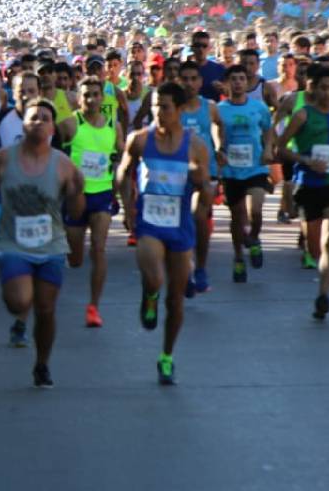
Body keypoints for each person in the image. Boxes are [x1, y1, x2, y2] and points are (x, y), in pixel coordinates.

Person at [0, 101, 85, 388]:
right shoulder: (4, 157)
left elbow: (75, 210)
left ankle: (42, 364)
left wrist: (77, 192)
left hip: (51, 246)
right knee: (19, 301)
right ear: (24, 124)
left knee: (46, 310)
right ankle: (15, 284)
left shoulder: (62, 164)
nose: (39, 122)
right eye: (34, 118)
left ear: (52, 128)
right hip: (13, 241)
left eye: (45, 119)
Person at [117, 82, 213, 385]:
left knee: (175, 301)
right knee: (156, 278)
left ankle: (167, 356)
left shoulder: (195, 145)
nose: (159, 111)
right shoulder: (140, 140)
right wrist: (128, 206)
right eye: (156, 105)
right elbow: (122, 173)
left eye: (166, 106)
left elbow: (205, 186)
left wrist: (200, 189)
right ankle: (149, 293)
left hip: (180, 224)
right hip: (149, 222)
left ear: (181, 110)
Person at [277, 65, 329, 320]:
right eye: (324, 87)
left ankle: (324, 293)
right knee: (314, 248)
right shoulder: (302, 115)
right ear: (314, 89)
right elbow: (281, 149)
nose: (328, 92)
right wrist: (307, 160)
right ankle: (319, 273)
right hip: (308, 184)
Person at [57, 77, 122, 327]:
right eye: (87, 95)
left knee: (98, 248)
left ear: (102, 98)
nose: (92, 99)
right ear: (79, 97)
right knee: (76, 259)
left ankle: (94, 306)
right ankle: (70, 258)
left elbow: (121, 154)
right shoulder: (70, 124)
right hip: (75, 197)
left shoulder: (112, 126)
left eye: (96, 94)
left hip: (102, 195)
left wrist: (119, 180)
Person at [216, 64, 274, 280]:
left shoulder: (258, 107)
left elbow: (268, 129)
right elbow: (216, 133)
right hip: (232, 170)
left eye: (242, 78)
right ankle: (239, 257)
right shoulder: (220, 109)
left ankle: (255, 238)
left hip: (255, 166)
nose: (238, 82)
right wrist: (218, 150)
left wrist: (268, 148)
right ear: (227, 83)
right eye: (234, 79)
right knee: (237, 217)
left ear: (247, 83)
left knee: (255, 210)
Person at [176, 61, 223, 294]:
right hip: (178, 173)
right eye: (185, 78)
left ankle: (201, 268)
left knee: (199, 215)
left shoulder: (210, 106)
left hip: (206, 171)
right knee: (183, 223)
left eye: (194, 78)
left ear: (200, 81)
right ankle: (186, 269)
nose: (189, 83)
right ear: (178, 81)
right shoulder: (172, 109)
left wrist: (220, 147)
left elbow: (218, 127)